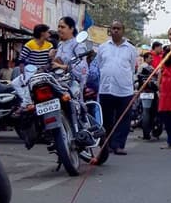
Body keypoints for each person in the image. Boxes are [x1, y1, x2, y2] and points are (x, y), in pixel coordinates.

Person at [95, 20, 138, 155]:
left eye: (118, 28)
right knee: (107, 119)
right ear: (110, 30)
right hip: (106, 89)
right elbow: (100, 65)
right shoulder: (103, 47)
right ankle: (107, 145)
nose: (115, 30)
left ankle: (118, 145)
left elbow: (132, 68)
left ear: (123, 30)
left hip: (124, 90)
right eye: (113, 28)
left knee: (123, 119)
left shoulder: (131, 49)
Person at [52, 16, 88, 93]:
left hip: (73, 87)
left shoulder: (77, 45)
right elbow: (57, 63)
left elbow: (83, 68)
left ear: (71, 29)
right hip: (58, 84)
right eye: (58, 27)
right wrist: (52, 57)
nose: (59, 29)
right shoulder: (60, 44)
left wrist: (61, 66)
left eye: (62, 27)